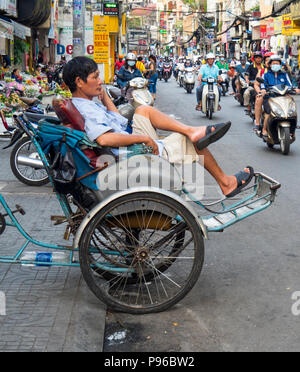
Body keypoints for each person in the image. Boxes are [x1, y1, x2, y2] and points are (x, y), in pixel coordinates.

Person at [62, 56, 254, 198]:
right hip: (128, 155)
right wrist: (144, 139)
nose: (100, 80)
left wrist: (104, 98)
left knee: (143, 110)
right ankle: (226, 183)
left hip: (122, 147)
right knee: (190, 142)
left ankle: (191, 130)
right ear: (79, 81)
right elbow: (104, 139)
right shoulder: (87, 109)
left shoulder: (86, 104)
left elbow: (117, 120)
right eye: (95, 77)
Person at [256, 55, 300, 140]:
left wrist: (294, 89)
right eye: (273, 63)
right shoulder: (265, 75)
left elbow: (289, 85)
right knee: (269, 113)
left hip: (283, 97)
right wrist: (263, 90)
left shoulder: (284, 74)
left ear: (280, 65)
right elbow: (262, 86)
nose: (275, 65)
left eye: (277, 63)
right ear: (270, 65)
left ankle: (292, 130)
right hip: (270, 97)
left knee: (291, 110)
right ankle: (264, 130)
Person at [253, 52, 273, 131]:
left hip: (277, 93)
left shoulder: (280, 72)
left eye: (270, 60)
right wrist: (260, 92)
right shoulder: (262, 71)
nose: (268, 62)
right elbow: (256, 84)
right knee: (259, 99)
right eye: (266, 60)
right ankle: (257, 123)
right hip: (265, 93)